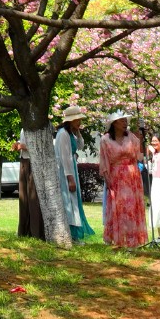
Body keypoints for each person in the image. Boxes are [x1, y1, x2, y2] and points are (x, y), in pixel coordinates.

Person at [98, 111, 147, 249]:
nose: (125, 123)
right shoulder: (105, 140)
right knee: (118, 206)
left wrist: (141, 139)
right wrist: (107, 180)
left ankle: (132, 240)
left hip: (132, 175)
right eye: (122, 121)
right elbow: (104, 161)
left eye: (126, 121)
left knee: (131, 207)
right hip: (116, 176)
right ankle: (116, 237)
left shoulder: (131, 137)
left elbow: (139, 156)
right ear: (114, 124)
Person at [53, 104, 94, 242]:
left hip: (71, 168)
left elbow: (80, 146)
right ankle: (70, 233)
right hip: (66, 172)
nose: (79, 122)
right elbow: (64, 157)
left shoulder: (70, 133)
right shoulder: (63, 134)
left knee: (73, 201)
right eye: (77, 120)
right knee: (68, 202)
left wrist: (78, 133)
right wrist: (70, 179)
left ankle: (74, 234)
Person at [15, 136, 44, 239]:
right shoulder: (24, 128)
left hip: (33, 163)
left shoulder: (37, 127)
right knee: (24, 198)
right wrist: (17, 145)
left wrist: (24, 146)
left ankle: (36, 232)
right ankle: (24, 230)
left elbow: (41, 147)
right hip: (24, 160)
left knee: (33, 199)